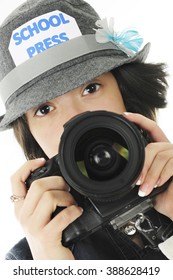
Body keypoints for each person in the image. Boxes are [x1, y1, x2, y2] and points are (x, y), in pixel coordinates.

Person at [0, 0, 173, 260]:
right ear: (30, 135)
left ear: (125, 92)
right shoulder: (30, 258)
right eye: (44, 109)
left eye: (90, 88)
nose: (76, 118)